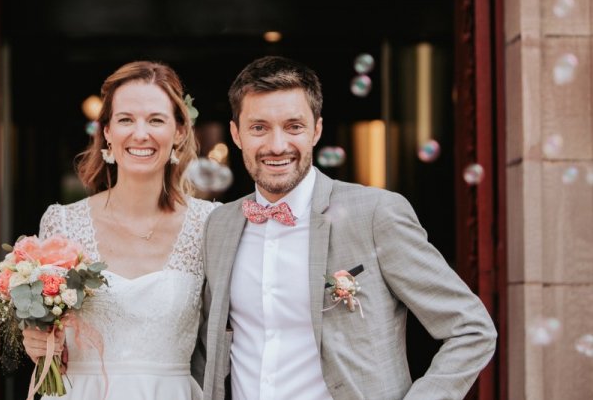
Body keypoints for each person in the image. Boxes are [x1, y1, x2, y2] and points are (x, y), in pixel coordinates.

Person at [194, 56, 497, 400]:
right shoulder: (219, 225)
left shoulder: (375, 214)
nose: (277, 145)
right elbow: (206, 349)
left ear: (317, 130)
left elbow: (471, 329)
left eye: (294, 126)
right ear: (236, 134)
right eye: (259, 127)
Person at [23, 61, 216, 399]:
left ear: (180, 132)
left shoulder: (211, 223)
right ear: (108, 132)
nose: (140, 134)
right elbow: (44, 331)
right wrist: (35, 341)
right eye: (126, 119)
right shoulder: (62, 224)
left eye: (156, 120)